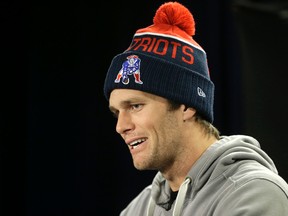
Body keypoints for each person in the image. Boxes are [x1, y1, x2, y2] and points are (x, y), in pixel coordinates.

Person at [103, 1, 288, 216]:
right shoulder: (141, 208)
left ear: (187, 106)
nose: (121, 126)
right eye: (116, 112)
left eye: (135, 106)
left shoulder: (255, 193)